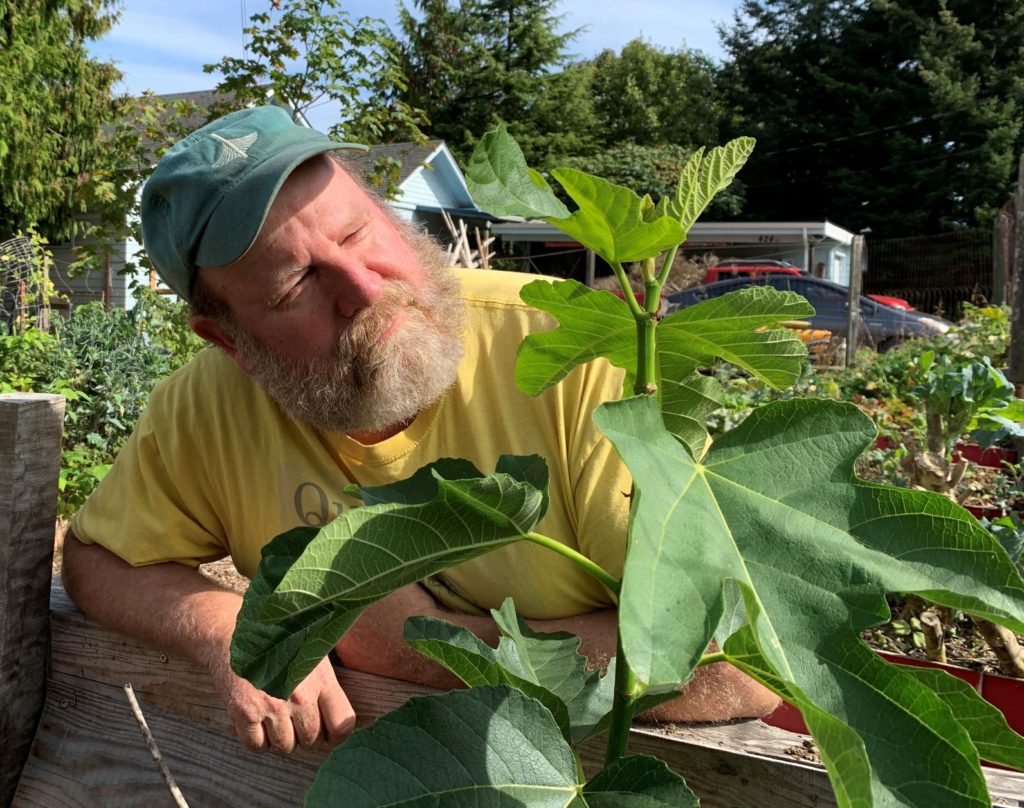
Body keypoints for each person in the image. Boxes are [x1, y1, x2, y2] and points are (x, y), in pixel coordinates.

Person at [61, 106, 779, 757]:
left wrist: (429, 649)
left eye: (357, 232)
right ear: (228, 341)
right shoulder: (205, 408)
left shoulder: (573, 352)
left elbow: (743, 665)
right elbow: (100, 561)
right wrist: (228, 629)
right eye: (298, 284)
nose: (366, 288)